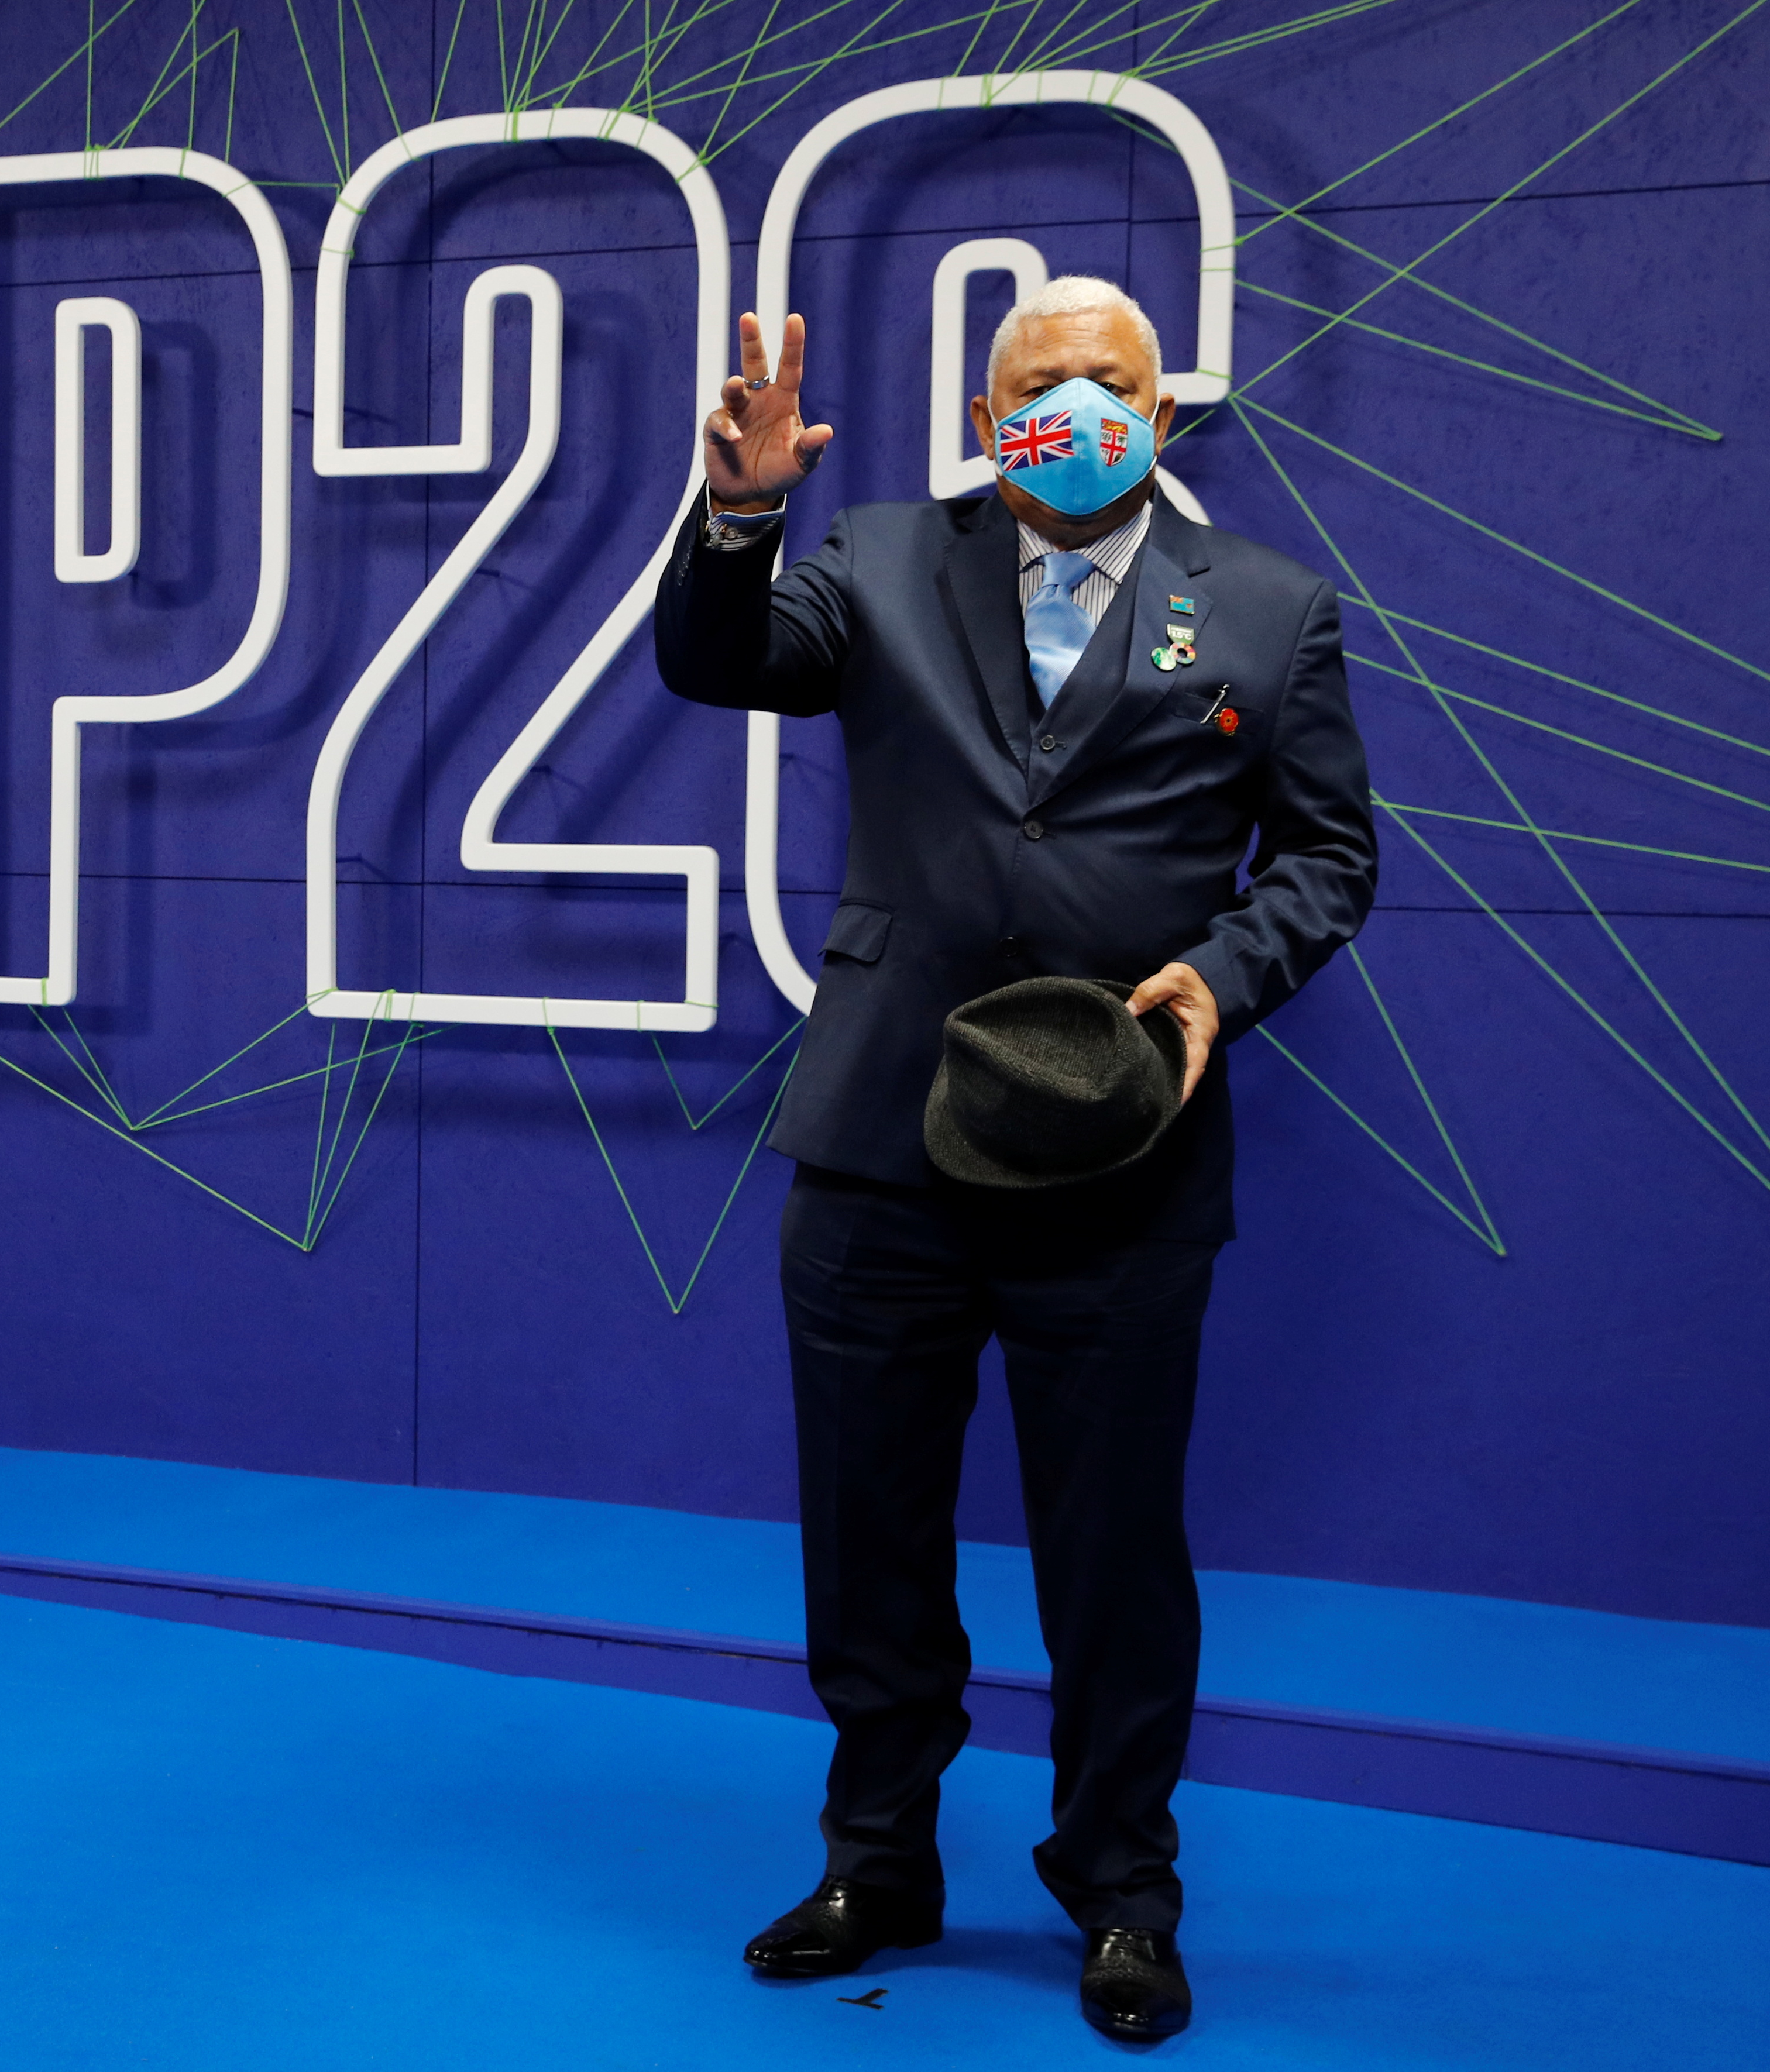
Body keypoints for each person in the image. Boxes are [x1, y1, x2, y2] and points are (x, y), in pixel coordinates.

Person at [652, 277, 1377, 2043]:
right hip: (880, 1143)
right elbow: (721, 657)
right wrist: (740, 512)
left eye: (1109, 381)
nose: (1076, 403)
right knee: (870, 1541)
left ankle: (1121, 1887)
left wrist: (1221, 973)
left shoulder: (1273, 616)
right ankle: (878, 1859)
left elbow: (1332, 858)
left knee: (1115, 1555)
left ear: (1165, 409)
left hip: (1120, 1161)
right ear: (991, 416)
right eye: (1041, 382)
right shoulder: (882, 560)